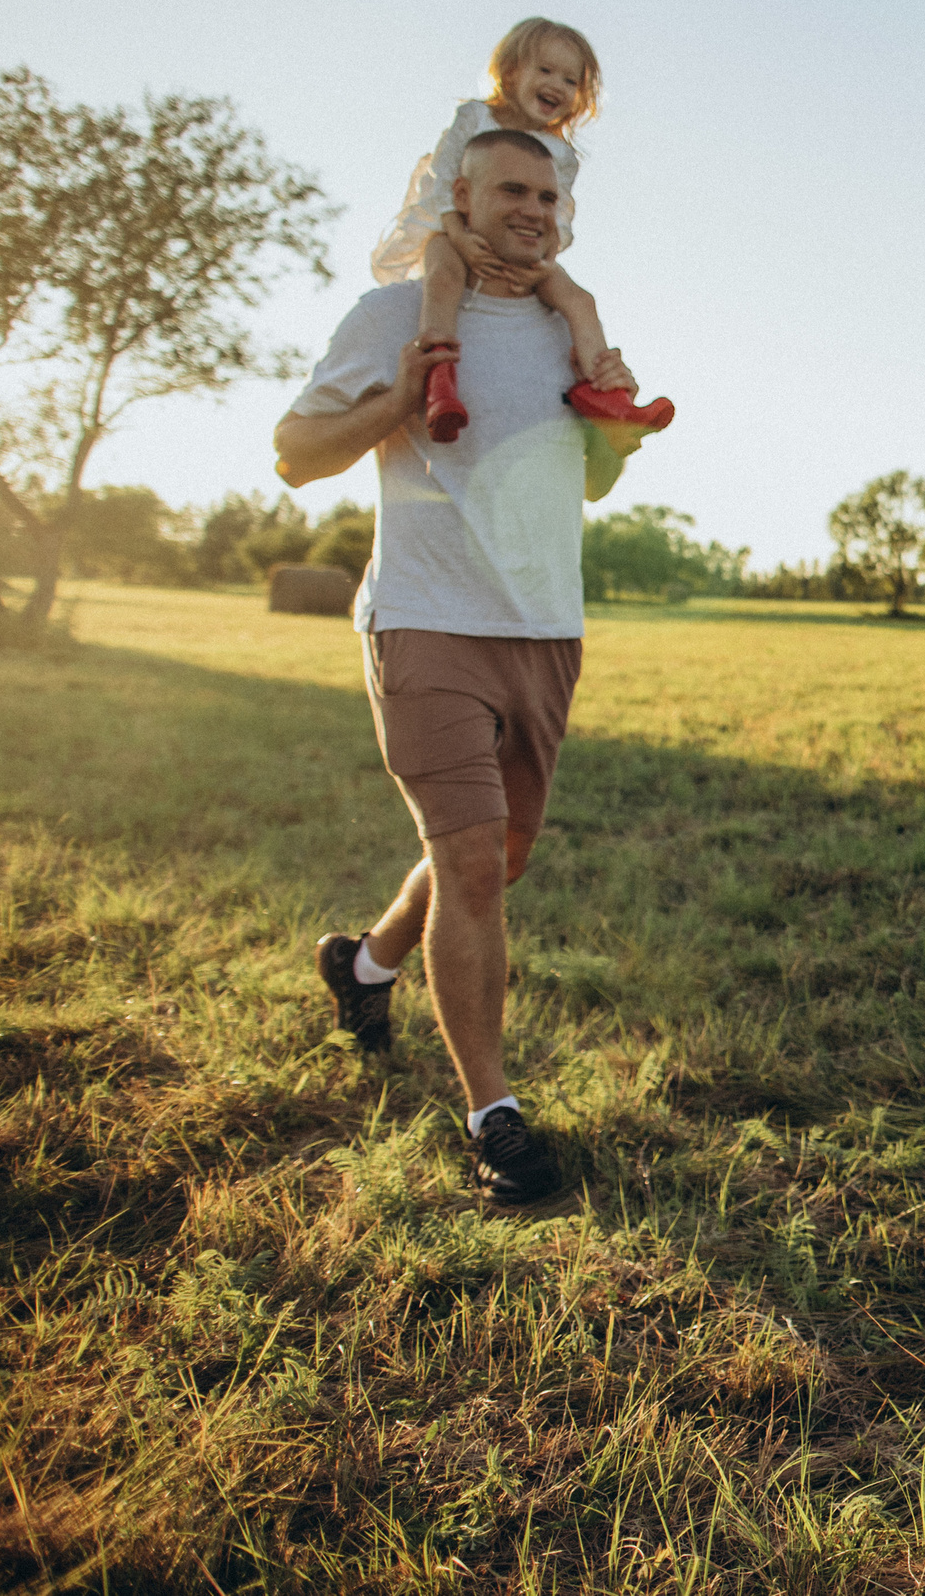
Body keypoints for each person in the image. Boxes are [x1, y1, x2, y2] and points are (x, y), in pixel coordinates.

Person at [276, 128, 656, 1206]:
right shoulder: (396, 314)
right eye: (510, 190)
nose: (532, 209)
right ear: (463, 196)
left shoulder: (569, 329)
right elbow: (295, 454)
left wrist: (613, 426)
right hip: (424, 619)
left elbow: (589, 486)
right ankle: (495, 1116)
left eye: (547, 195)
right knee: (475, 865)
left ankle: (364, 964)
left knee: (498, 857)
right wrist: (398, 399)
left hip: (544, 627)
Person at [372, 16, 669, 444]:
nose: (556, 86)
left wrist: (544, 260)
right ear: (511, 72)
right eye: (545, 70)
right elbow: (442, 181)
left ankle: (608, 396)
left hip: (526, 247)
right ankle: (439, 377)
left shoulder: (560, 153)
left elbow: (557, 215)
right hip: (452, 228)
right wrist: (459, 236)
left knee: (579, 300)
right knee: (444, 275)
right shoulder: (475, 118)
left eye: (570, 80)